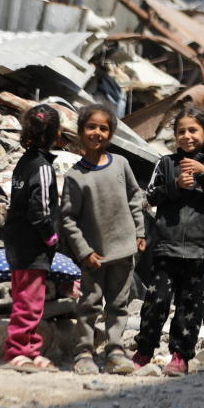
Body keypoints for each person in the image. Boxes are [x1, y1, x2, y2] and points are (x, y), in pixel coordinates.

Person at [133, 104, 204, 376]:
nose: (187, 136)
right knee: (156, 302)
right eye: (181, 131)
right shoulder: (165, 164)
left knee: (190, 307)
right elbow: (150, 197)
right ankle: (143, 351)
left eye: (193, 130)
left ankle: (179, 357)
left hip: (199, 250)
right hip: (166, 246)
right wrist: (175, 186)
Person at [60, 103, 145, 375]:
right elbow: (68, 218)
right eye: (91, 126)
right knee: (89, 304)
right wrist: (83, 251)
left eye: (103, 128)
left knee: (119, 304)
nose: (97, 132)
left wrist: (140, 232)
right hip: (94, 256)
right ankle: (84, 351)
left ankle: (115, 348)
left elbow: (135, 198)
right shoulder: (75, 176)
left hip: (124, 250)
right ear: (81, 131)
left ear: (111, 133)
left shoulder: (121, 164)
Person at [2, 104, 62, 372]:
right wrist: (51, 237)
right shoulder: (43, 167)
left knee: (25, 297)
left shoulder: (23, 163)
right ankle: (16, 351)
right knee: (30, 300)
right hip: (32, 244)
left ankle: (30, 349)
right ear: (56, 135)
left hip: (15, 241)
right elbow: (42, 210)